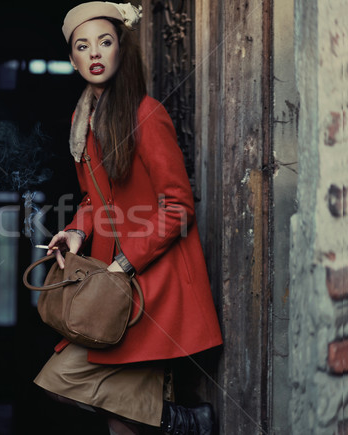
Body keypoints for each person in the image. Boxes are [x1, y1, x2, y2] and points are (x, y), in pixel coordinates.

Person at [33, 2, 223, 434]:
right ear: (73, 59)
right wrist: (77, 231)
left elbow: (178, 206)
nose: (95, 53)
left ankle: (181, 420)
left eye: (105, 41)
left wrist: (125, 262)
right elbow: (92, 198)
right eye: (83, 46)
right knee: (62, 385)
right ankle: (183, 422)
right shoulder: (83, 119)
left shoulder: (146, 114)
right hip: (112, 284)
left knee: (109, 416)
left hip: (151, 284)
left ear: (122, 48)